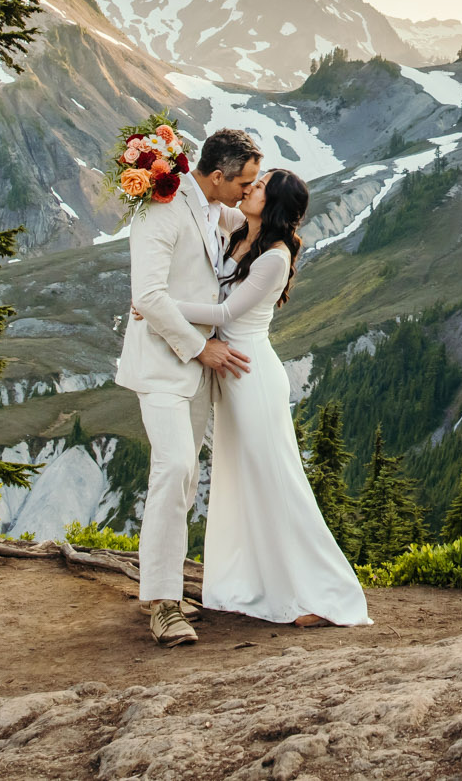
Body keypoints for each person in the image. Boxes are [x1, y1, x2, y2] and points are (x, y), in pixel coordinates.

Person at [171, 168, 371, 629]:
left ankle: (321, 594)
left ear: (276, 204)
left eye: (259, 187)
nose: (249, 189)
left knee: (276, 481)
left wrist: (162, 304)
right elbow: (201, 199)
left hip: (253, 375)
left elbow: (224, 312)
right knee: (240, 481)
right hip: (231, 375)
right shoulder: (239, 231)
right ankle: (250, 584)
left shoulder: (275, 257)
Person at [114, 127, 258, 647]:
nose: (248, 191)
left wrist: (278, 203)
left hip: (196, 371)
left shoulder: (211, 206)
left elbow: (252, 220)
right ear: (217, 176)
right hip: (163, 363)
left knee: (186, 476)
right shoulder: (162, 209)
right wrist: (200, 348)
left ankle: (166, 585)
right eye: (245, 182)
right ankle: (164, 605)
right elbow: (149, 296)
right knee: (172, 467)